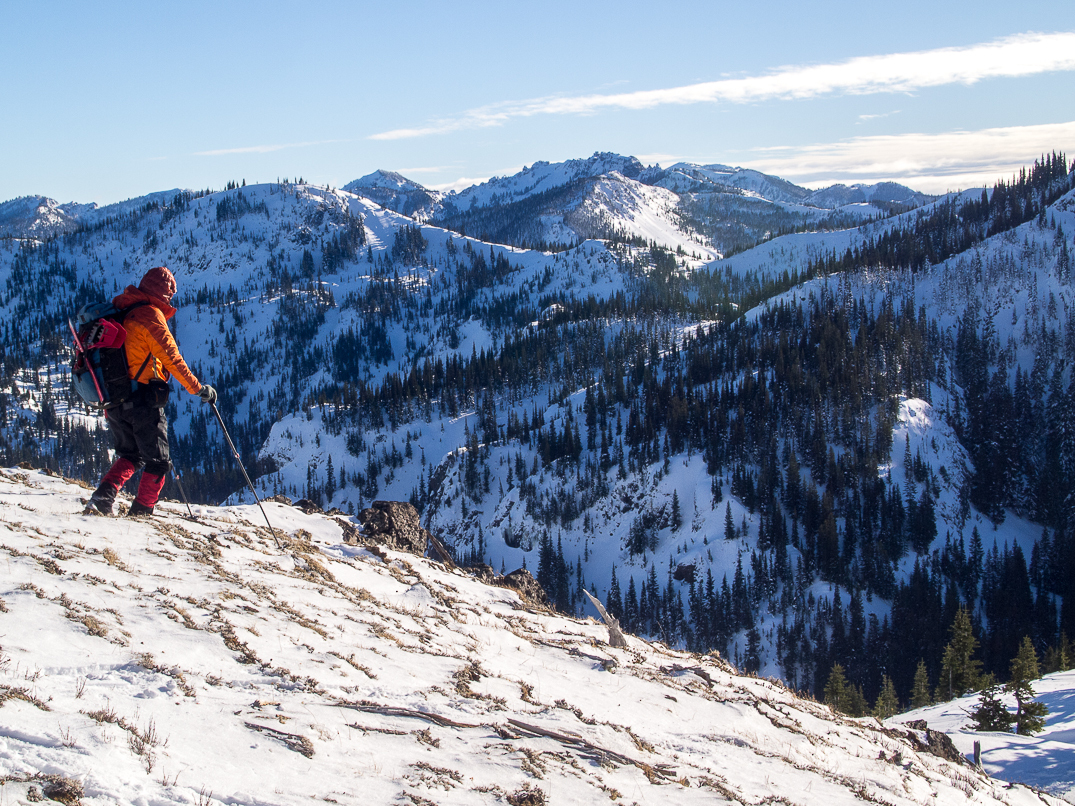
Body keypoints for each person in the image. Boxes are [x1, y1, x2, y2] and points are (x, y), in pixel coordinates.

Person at [84, 266, 216, 517]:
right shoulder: (150, 315)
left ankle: (102, 499)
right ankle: (142, 512)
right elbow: (172, 359)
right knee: (158, 461)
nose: (171, 299)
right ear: (165, 293)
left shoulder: (121, 310)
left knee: (131, 455)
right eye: (170, 294)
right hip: (142, 401)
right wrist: (198, 389)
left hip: (113, 400)